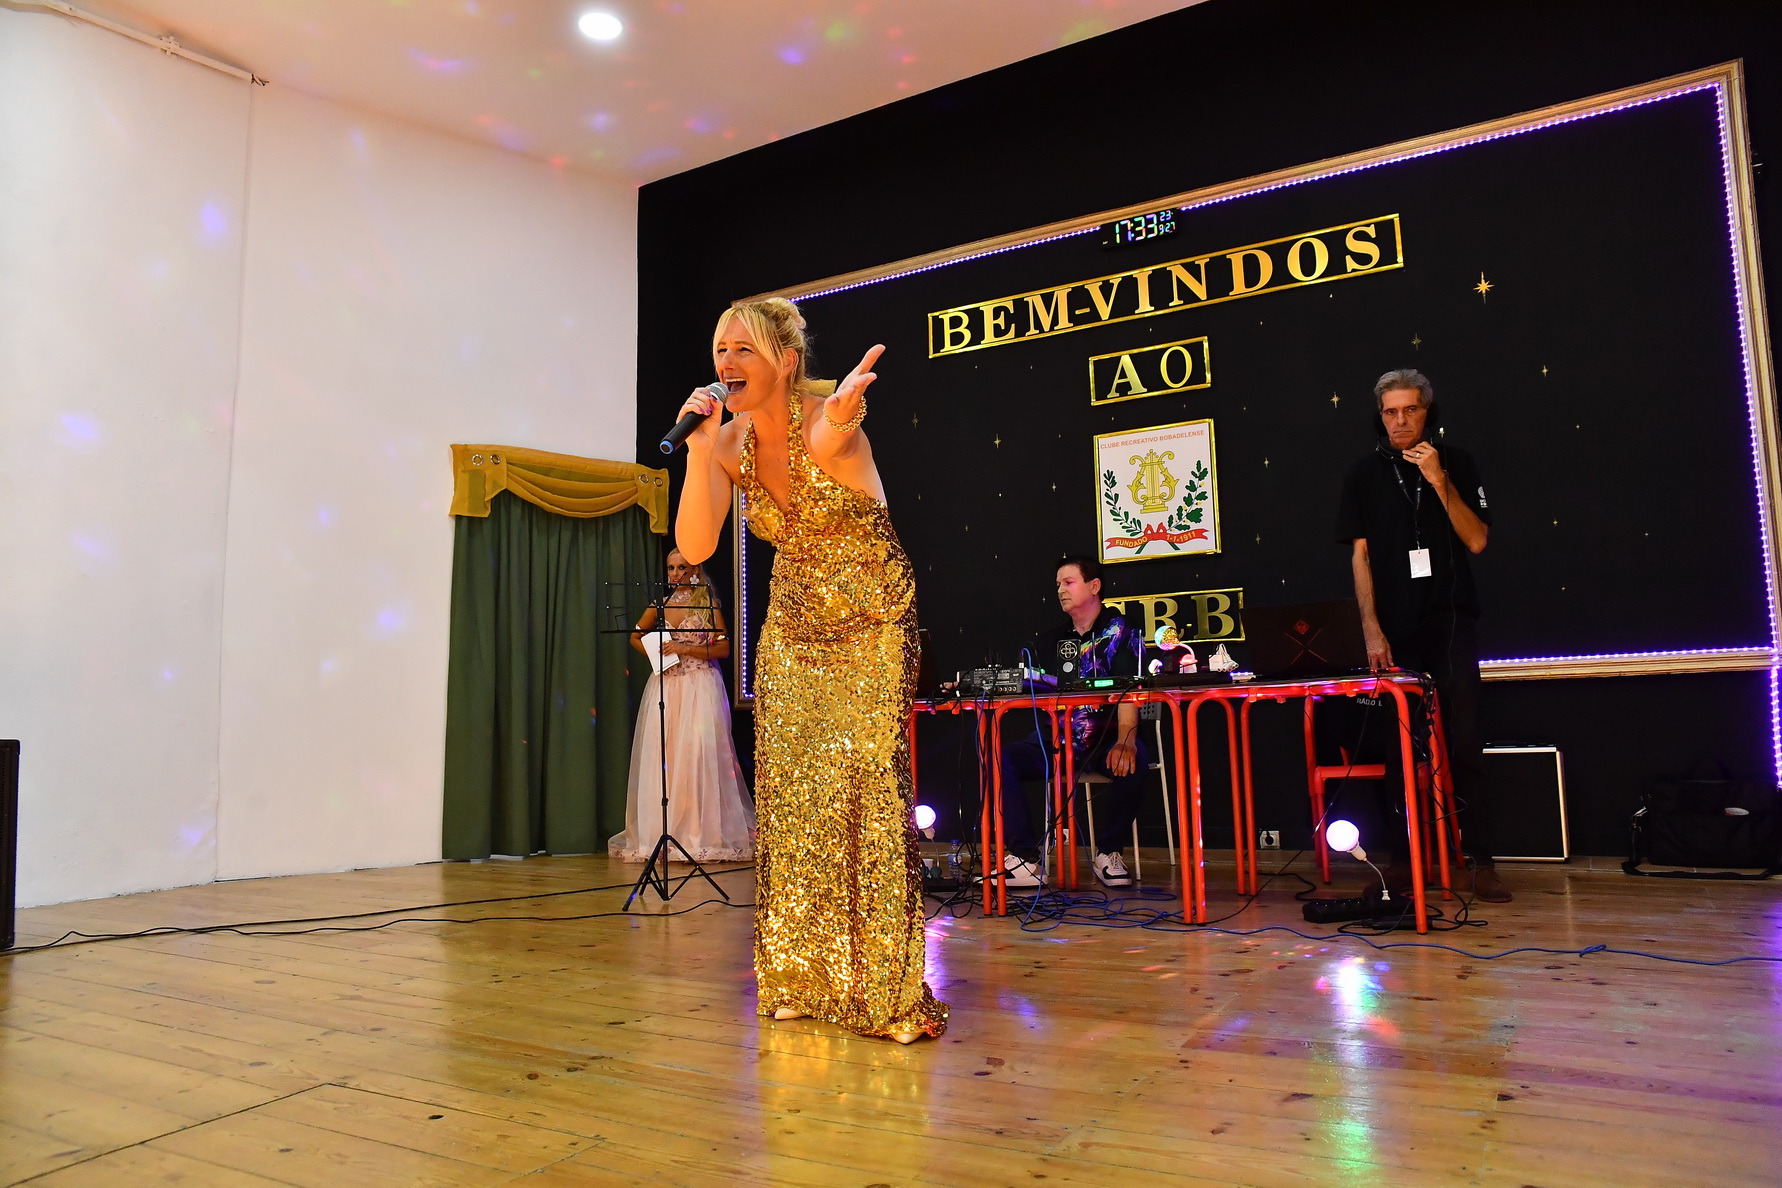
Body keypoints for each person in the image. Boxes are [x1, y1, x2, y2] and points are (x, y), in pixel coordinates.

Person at [672, 297, 946, 1044]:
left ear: (785, 361)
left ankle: (886, 991)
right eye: (720, 350)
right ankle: (800, 976)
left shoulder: (828, 414)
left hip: (871, 618)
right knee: (794, 795)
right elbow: (694, 546)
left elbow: (827, 439)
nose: (727, 363)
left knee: (866, 789)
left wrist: (847, 408)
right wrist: (699, 450)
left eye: (744, 350)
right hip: (794, 624)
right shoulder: (727, 440)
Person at [1334, 368, 1509, 903]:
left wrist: (1438, 480)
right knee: (1399, 749)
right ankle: (1403, 861)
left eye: (1410, 410)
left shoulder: (1456, 462)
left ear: (1427, 412)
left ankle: (1480, 860)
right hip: (1395, 629)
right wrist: (1371, 631)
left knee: (1464, 742)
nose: (1400, 420)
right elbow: (1360, 558)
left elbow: (1477, 540)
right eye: (1390, 412)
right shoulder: (1363, 474)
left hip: (1450, 620)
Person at [996, 557, 1146, 890]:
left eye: (1069, 582)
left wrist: (1125, 740)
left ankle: (1109, 852)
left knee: (1134, 761)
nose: (1061, 591)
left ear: (1094, 586)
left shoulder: (1122, 630)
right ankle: (1025, 858)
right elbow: (1035, 688)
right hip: (1056, 740)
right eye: (1058, 585)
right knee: (1001, 758)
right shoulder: (1051, 640)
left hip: (1105, 739)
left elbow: (1130, 690)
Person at [609, 547, 754, 864]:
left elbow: (724, 648)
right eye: (671, 568)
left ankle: (700, 833)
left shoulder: (708, 604)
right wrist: (658, 656)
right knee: (667, 758)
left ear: (695, 571)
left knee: (699, 755)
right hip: (667, 686)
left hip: (700, 685)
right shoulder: (659, 605)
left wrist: (684, 648)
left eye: (682, 568)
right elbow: (635, 636)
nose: (675, 574)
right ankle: (665, 831)